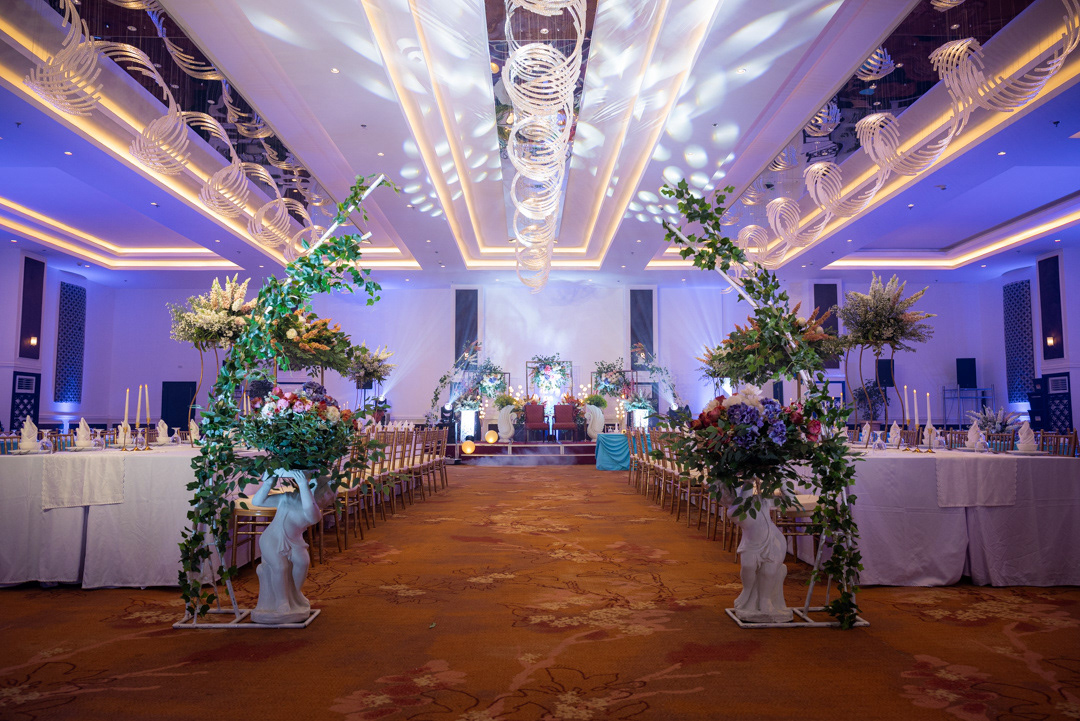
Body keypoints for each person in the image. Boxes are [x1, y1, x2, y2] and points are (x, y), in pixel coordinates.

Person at [249, 470, 335, 624]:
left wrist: (303, 485)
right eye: (328, 494)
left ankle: (294, 594)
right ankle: (282, 602)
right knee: (280, 567)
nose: (329, 499)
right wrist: (268, 483)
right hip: (271, 539)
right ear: (317, 489)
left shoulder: (315, 512)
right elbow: (257, 502)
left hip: (295, 541)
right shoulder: (287, 498)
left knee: (303, 562)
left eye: (330, 498)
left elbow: (309, 509)